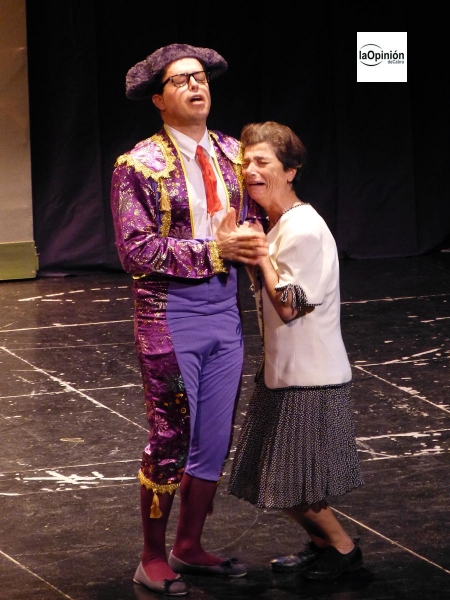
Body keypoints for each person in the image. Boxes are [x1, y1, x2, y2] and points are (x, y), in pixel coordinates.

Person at [110, 43, 268, 596]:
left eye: (199, 77)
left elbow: (260, 218)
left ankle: (189, 545)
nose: (195, 86)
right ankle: (152, 557)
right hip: (170, 314)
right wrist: (215, 251)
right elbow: (135, 250)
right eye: (180, 81)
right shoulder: (137, 165)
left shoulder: (235, 154)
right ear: (158, 99)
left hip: (224, 312)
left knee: (214, 439)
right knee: (171, 435)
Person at [228, 121, 364, 580]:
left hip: (310, 377)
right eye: (246, 162)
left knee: (289, 480)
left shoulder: (303, 228)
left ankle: (343, 551)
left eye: (262, 162)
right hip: (283, 372)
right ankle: (322, 545)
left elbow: (290, 305)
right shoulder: (280, 225)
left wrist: (260, 254)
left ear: (290, 171)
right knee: (271, 475)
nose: (250, 170)